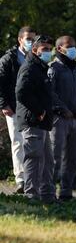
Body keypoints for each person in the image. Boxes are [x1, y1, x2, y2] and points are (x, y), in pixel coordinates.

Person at [15, 34, 56, 202]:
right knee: (34, 158)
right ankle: (31, 196)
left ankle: (47, 196)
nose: (48, 52)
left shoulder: (40, 67)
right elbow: (21, 92)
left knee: (47, 161)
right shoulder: (29, 67)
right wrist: (39, 111)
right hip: (33, 121)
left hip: (42, 122)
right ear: (34, 50)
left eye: (49, 49)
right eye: (44, 49)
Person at [48, 36, 76, 200]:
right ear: (59, 49)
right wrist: (63, 110)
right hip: (59, 120)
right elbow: (50, 94)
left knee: (72, 157)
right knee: (54, 157)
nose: (73, 50)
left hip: (74, 120)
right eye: (69, 46)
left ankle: (66, 191)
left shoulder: (74, 69)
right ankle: (48, 192)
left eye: (74, 46)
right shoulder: (53, 68)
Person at [0, 26, 36, 193]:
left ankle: (31, 178)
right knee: (18, 142)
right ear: (20, 39)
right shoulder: (8, 59)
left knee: (31, 142)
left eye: (33, 39)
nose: (31, 42)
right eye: (28, 39)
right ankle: (21, 179)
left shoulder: (35, 57)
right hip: (13, 108)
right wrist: (3, 104)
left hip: (31, 108)